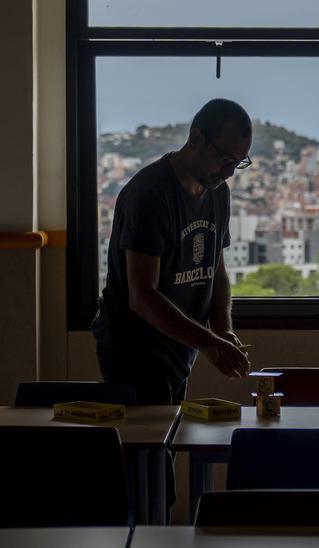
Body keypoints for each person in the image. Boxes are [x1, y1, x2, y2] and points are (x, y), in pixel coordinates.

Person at [92, 98, 253, 405]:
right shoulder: (151, 195)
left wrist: (223, 332)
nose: (230, 172)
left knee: (165, 446)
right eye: (224, 159)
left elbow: (215, 269)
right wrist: (209, 344)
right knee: (146, 448)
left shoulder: (218, 192)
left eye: (239, 162)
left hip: (179, 348)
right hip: (134, 352)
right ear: (195, 138)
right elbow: (142, 296)